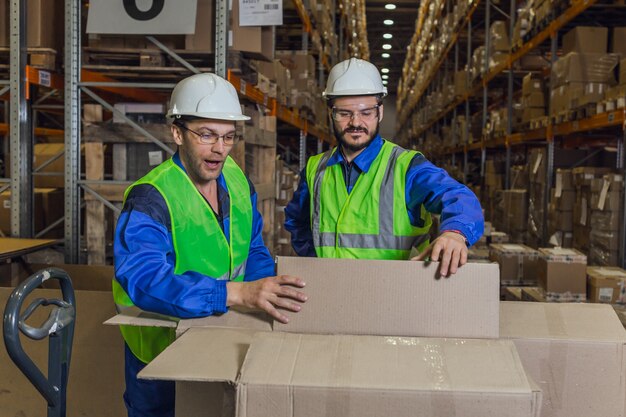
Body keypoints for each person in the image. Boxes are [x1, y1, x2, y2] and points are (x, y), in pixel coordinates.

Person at [113, 73, 307, 417]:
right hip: (161, 349)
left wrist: (265, 297)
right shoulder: (151, 196)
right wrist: (235, 294)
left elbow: (252, 249)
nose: (219, 148)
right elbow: (144, 279)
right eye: (206, 135)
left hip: (220, 333)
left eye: (229, 136)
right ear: (177, 133)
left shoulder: (234, 178)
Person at [285, 58, 483, 276]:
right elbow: (297, 221)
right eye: (344, 113)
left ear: (379, 112)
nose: (355, 122)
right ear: (330, 113)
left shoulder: (406, 167)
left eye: (366, 113)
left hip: (394, 293)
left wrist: (455, 233)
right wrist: (314, 263)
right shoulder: (315, 169)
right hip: (333, 290)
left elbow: (457, 195)